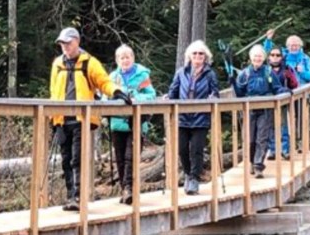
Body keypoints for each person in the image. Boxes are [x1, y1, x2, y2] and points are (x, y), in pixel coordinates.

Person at [49, 27, 125, 211]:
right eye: (62, 43)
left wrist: (116, 92)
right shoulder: (57, 63)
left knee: (77, 159)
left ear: (77, 41)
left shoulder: (89, 62)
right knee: (65, 159)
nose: (64, 47)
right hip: (61, 118)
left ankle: (78, 197)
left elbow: (103, 81)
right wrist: (51, 116)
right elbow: (53, 90)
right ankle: (70, 197)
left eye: (68, 43)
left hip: (81, 118)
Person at [167, 40, 220, 196]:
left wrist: (213, 98)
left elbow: (215, 92)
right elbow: (173, 91)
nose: (198, 56)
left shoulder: (210, 74)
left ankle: (195, 179)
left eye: (201, 53)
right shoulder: (181, 72)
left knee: (196, 150)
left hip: (201, 118)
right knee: (182, 149)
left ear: (205, 57)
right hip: (182, 117)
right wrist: (168, 99)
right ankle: (189, 174)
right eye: (195, 53)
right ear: (189, 56)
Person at [107, 45, 155, 205]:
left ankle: (129, 188)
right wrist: (113, 100)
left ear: (133, 58)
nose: (125, 60)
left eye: (128, 57)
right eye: (122, 57)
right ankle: (125, 189)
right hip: (117, 122)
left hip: (136, 123)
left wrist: (136, 99)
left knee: (130, 157)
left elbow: (151, 95)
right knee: (120, 159)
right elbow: (103, 97)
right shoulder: (112, 77)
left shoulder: (142, 76)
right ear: (117, 60)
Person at [233, 44, 290, 179]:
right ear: (251, 58)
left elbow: (276, 87)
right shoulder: (245, 73)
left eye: (259, 56)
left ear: (263, 58)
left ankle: (259, 166)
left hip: (265, 108)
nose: (257, 58)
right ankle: (252, 162)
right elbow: (239, 93)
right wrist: (234, 83)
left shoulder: (268, 72)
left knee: (262, 138)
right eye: (255, 56)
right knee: (250, 139)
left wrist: (284, 91)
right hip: (249, 109)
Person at [266, 45, 299, 160]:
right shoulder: (265, 70)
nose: (275, 57)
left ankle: (285, 150)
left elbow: (295, 85)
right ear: (269, 57)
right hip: (269, 101)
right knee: (270, 126)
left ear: (281, 57)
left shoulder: (286, 69)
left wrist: (290, 77)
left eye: (278, 55)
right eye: (273, 55)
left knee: (284, 126)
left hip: (283, 101)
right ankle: (272, 150)